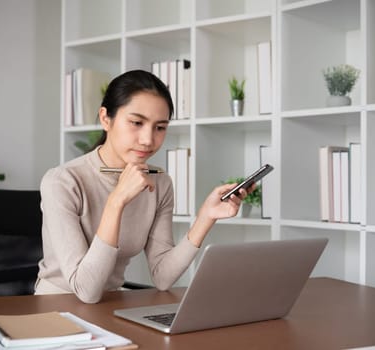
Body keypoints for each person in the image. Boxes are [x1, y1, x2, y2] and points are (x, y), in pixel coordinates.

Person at [35, 69, 254, 303]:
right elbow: (86, 291)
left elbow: (162, 276)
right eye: (136, 123)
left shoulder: (159, 183)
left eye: (160, 127)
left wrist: (205, 218)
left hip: (109, 307)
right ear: (105, 118)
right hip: (56, 308)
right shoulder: (62, 181)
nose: (148, 140)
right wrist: (116, 200)